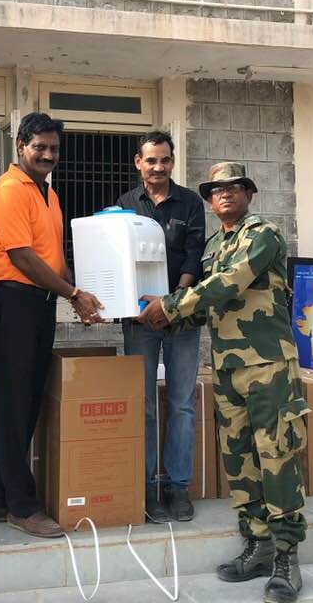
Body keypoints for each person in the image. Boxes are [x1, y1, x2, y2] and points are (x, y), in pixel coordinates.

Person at [138, 162, 308, 603]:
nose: (225, 194)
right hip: (228, 368)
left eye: (234, 187)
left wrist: (168, 306)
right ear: (210, 201)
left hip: (268, 365)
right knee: (239, 460)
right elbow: (205, 305)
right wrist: (146, 312)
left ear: (249, 194)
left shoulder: (263, 234)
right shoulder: (214, 244)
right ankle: (258, 545)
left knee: (277, 456)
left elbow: (228, 284)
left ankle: (286, 557)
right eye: (216, 190)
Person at [0, 112, 103, 538]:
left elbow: (53, 256)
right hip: (12, 303)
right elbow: (22, 257)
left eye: (53, 149)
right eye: (39, 147)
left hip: (39, 305)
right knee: (16, 407)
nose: (47, 155)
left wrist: (79, 294)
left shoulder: (48, 193)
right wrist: (73, 293)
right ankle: (22, 506)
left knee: (26, 403)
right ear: (20, 146)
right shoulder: (10, 189)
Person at [115, 130, 204, 523]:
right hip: (139, 319)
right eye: (151, 160)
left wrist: (171, 304)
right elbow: (120, 261)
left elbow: (194, 256)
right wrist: (136, 305)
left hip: (181, 316)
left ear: (173, 161)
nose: (158, 167)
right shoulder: (125, 206)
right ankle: (149, 486)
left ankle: (178, 487)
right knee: (145, 404)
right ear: (139, 162)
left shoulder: (191, 203)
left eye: (165, 160)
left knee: (182, 403)